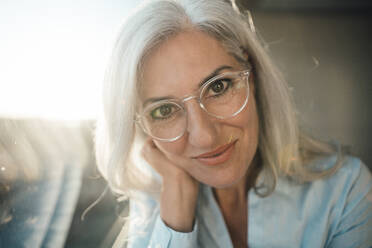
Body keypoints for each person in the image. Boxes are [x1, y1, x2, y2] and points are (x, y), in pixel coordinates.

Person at [94, 0, 372, 247]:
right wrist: (177, 208)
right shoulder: (155, 201)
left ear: (251, 76)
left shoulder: (345, 190)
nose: (204, 136)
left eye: (219, 87)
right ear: (142, 126)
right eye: (164, 110)